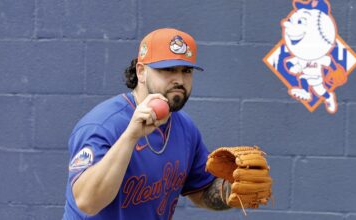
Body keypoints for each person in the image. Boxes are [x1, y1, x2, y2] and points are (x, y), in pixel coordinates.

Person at [62, 28, 231, 220]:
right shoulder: (102, 124)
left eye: (186, 71)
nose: (180, 80)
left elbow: (202, 191)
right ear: (141, 72)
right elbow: (87, 203)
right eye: (168, 70)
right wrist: (130, 136)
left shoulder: (185, 128)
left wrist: (233, 190)